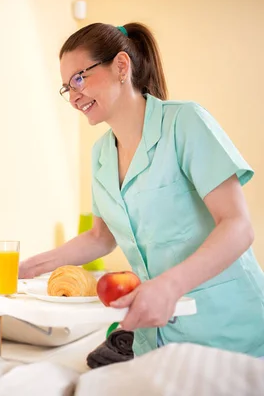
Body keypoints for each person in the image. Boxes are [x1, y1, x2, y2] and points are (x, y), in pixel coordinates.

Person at [19, 22, 264, 358]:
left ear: (121, 66)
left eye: (79, 78)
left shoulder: (185, 123)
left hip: (229, 329)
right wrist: (29, 268)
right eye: (66, 87)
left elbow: (238, 226)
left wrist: (169, 286)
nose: (74, 96)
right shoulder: (102, 154)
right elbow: (100, 237)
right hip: (157, 338)